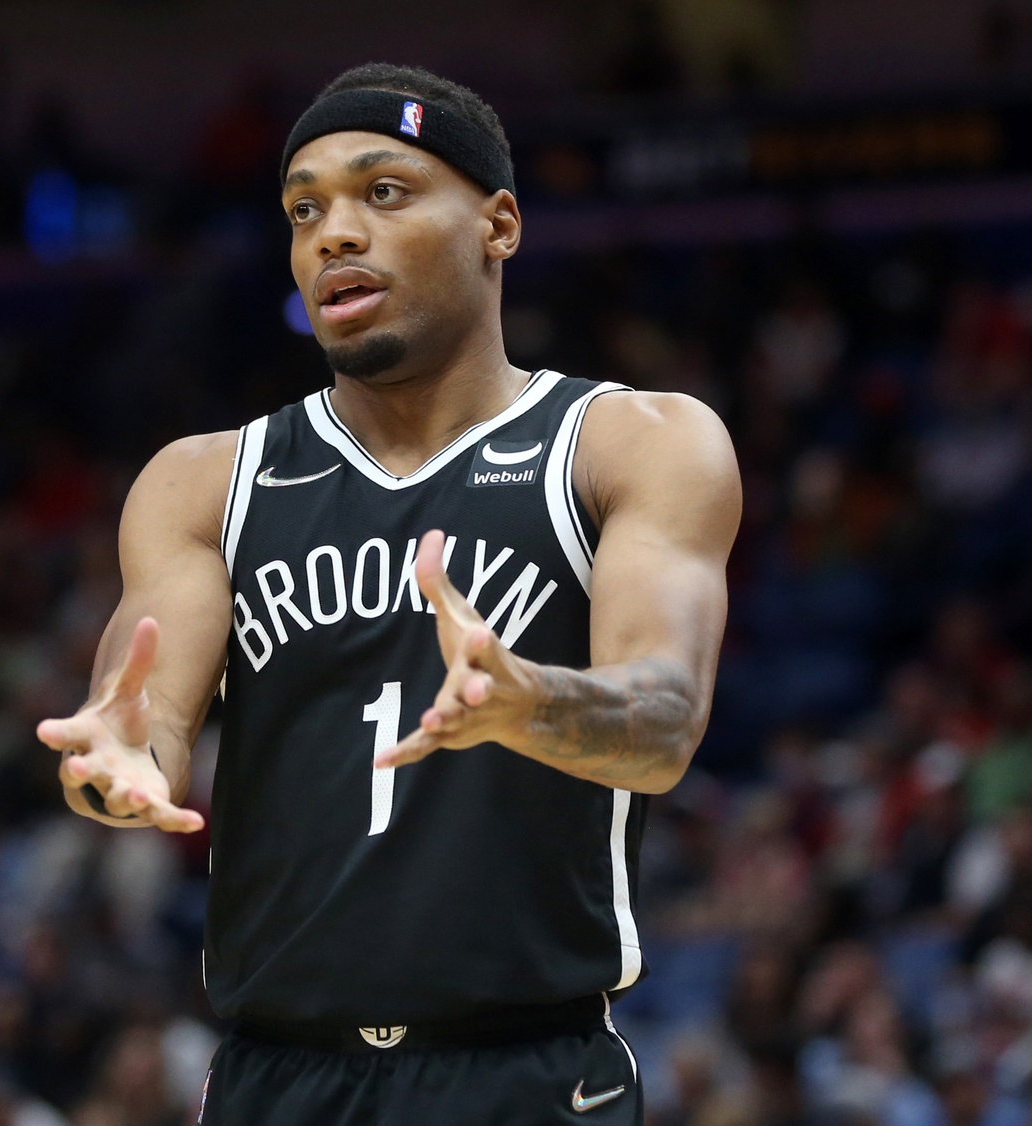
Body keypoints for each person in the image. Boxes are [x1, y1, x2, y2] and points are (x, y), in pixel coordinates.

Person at [36, 62, 742, 1124]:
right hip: (277, 1078)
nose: (334, 232)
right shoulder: (205, 480)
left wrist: (527, 702)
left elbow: (664, 722)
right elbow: (145, 726)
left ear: (498, 224)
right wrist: (115, 766)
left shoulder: (631, 443)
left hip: (528, 1074)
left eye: (386, 192)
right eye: (304, 208)